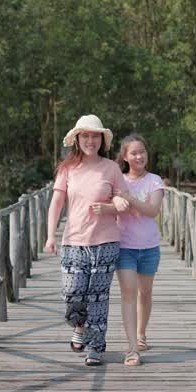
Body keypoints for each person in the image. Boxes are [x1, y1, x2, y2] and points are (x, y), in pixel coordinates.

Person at [44, 114, 130, 367]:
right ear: (77, 139)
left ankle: (96, 348)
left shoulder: (111, 168)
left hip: (106, 242)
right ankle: (79, 326)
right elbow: (56, 203)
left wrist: (111, 207)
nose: (90, 140)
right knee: (72, 293)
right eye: (86, 136)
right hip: (73, 242)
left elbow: (122, 201)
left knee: (98, 297)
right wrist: (51, 236)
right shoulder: (67, 169)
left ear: (101, 140)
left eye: (95, 136)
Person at [114, 134, 165, 367]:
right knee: (128, 293)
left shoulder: (155, 181)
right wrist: (117, 201)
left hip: (149, 247)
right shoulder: (118, 181)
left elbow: (153, 210)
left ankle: (142, 334)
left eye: (142, 151)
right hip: (124, 246)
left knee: (145, 293)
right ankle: (132, 347)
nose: (138, 156)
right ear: (125, 156)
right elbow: (111, 204)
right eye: (133, 153)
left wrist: (130, 199)